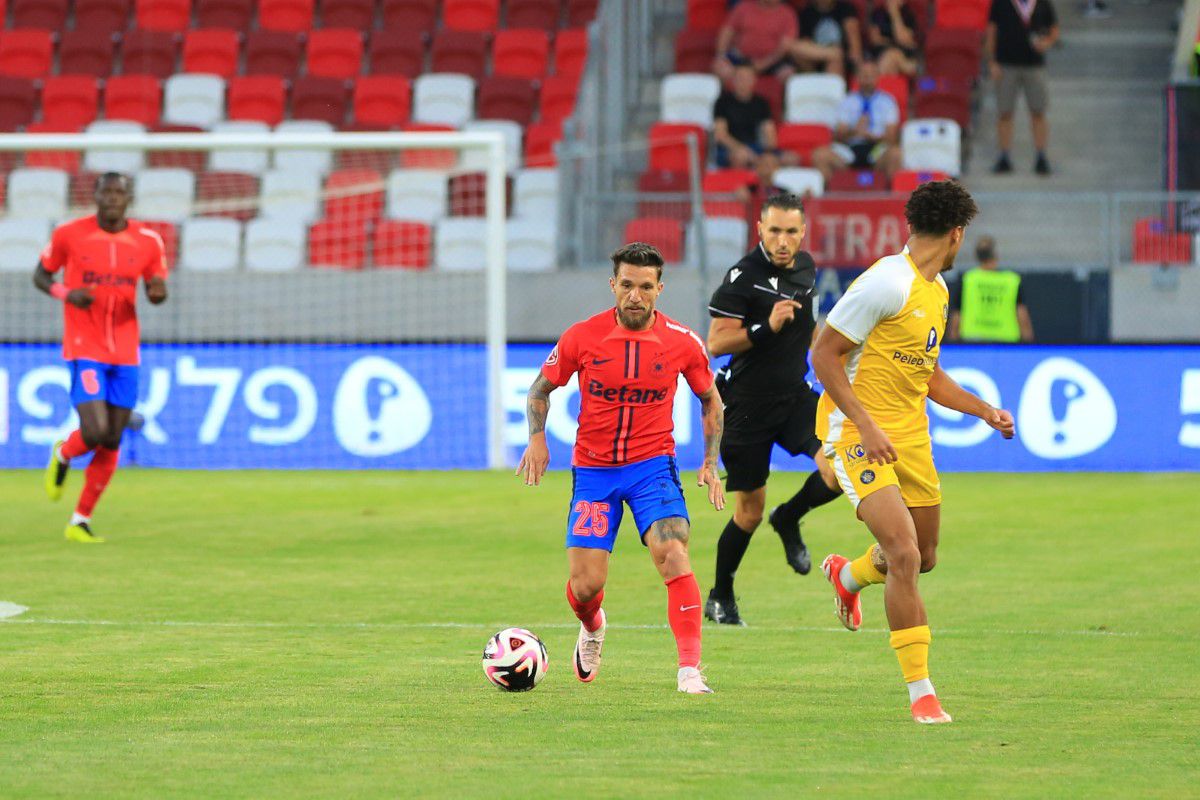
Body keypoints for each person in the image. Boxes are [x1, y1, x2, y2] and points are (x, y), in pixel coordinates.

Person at [810, 181, 1015, 724]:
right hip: (858, 436)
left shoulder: (938, 290)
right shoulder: (884, 283)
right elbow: (823, 354)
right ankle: (921, 693)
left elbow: (929, 374)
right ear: (956, 233)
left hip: (910, 440)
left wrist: (983, 410)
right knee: (903, 555)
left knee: (924, 557)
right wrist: (863, 423)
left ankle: (848, 576)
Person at [516, 242, 726, 695]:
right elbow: (539, 389)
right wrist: (537, 439)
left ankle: (689, 670)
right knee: (586, 585)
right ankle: (592, 626)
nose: (635, 295)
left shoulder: (682, 342)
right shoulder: (582, 337)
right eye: (627, 285)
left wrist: (710, 461)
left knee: (672, 551)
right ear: (613, 285)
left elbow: (710, 398)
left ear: (659, 289)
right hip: (594, 471)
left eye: (645, 287)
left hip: (653, 465)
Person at [703, 193, 843, 626]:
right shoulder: (742, 277)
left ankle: (790, 517)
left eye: (791, 231)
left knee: (838, 471)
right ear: (759, 231)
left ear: (804, 233)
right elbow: (716, 342)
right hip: (745, 406)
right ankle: (721, 596)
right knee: (748, 512)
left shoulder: (807, 267)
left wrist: (829, 354)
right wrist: (766, 326)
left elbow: (810, 325)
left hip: (795, 397)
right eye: (774, 231)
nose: (783, 240)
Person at [36, 172, 169, 544]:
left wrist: (158, 293)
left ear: (129, 199)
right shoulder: (69, 234)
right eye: (105, 192)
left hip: (126, 348)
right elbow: (40, 275)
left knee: (111, 438)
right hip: (85, 344)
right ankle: (63, 453)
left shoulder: (148, 241)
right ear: (94, 196)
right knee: (93, 431)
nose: (112, 198)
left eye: (119, 193)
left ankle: (79, 520)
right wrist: (67, 294)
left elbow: (156, 289)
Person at [985, 0, 1059, 175]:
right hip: (1006, 64)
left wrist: (1046, 43)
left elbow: (1054, 29)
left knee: (1038, 112)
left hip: (1034, 65)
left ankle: (1041, 156)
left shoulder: (1042, 3)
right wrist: (992, 61)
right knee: (1004, 112)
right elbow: (991, 31)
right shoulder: (1001, 3)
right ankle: (1004, 156)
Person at [811, 60, 902, 180]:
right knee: (820, 155)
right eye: (864, 76)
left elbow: (892, 137)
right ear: (857, 78)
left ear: (878, 78)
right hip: (851, 149)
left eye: (871, 76)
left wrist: (872, 136)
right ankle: (831, 195)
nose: (868, 80)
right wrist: (855, 131)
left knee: (895, 153)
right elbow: (838, 136)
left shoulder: (888, 101)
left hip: (876, 149)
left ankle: (890, 196)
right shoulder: (847, 101)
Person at [713, 63, 795, 185]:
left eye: (747, 78)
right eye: (740, 78)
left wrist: (767, 153)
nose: (744, 82)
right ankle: (742, 190)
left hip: (756, 147)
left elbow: (769, 133)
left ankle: (776, 192)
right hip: (730, 148)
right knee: (741, 157)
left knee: (790, 158)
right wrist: (742, 149)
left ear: (754, 80)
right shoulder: (722, 102)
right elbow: (720, 135)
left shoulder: (761, 103)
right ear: (733, 80)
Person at [948, 236, 1035, 342]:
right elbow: (1022, 314)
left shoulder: (969, 279)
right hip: (1005, 339)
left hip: (973, 340)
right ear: (996, 256)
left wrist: (953, 339)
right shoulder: (1011, 281)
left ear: (977, 256)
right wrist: (1028, 340)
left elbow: (957, 313)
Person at [713, 0, 801, 83]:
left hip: (773, 61)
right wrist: (721, 56)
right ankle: (732, 98)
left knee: (788, 73)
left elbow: (784, 47)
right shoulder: (744, 7)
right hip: (742, 57)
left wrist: (763, 63)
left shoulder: (788, 14)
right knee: (719, 68)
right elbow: (727, 31)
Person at [794, 0, 861, 75]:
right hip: (817, 56)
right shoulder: (806, 13)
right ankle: (832, 54)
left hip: (842, 58)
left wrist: (856, 64)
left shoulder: (846, 9)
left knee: (835, 61)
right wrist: (829, 52)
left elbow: (854, 41)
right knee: (795, 49)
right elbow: (806, 44)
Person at [867, 0, 920, 77]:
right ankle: (906, 66)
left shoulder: (908, 15)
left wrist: (894, 14)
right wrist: (895, 44)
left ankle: (877, 83)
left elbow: (902, 38)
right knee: (893, 56)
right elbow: (875, 39)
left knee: (893, 59)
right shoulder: (878, 14)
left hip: (905, 54)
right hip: (883, 53)